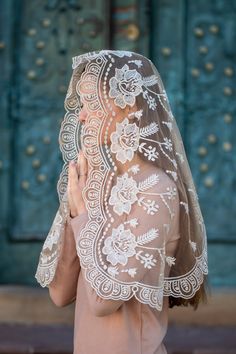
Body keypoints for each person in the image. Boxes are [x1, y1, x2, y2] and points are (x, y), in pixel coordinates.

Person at [35, 50, 209, 354]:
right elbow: (60, 294)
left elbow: (104, 302)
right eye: (82, 104)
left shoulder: (156, 189)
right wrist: (75, 212)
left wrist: (82, 216)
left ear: (128, 107)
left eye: (92, 103)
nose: (83, 116)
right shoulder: (93, 185)